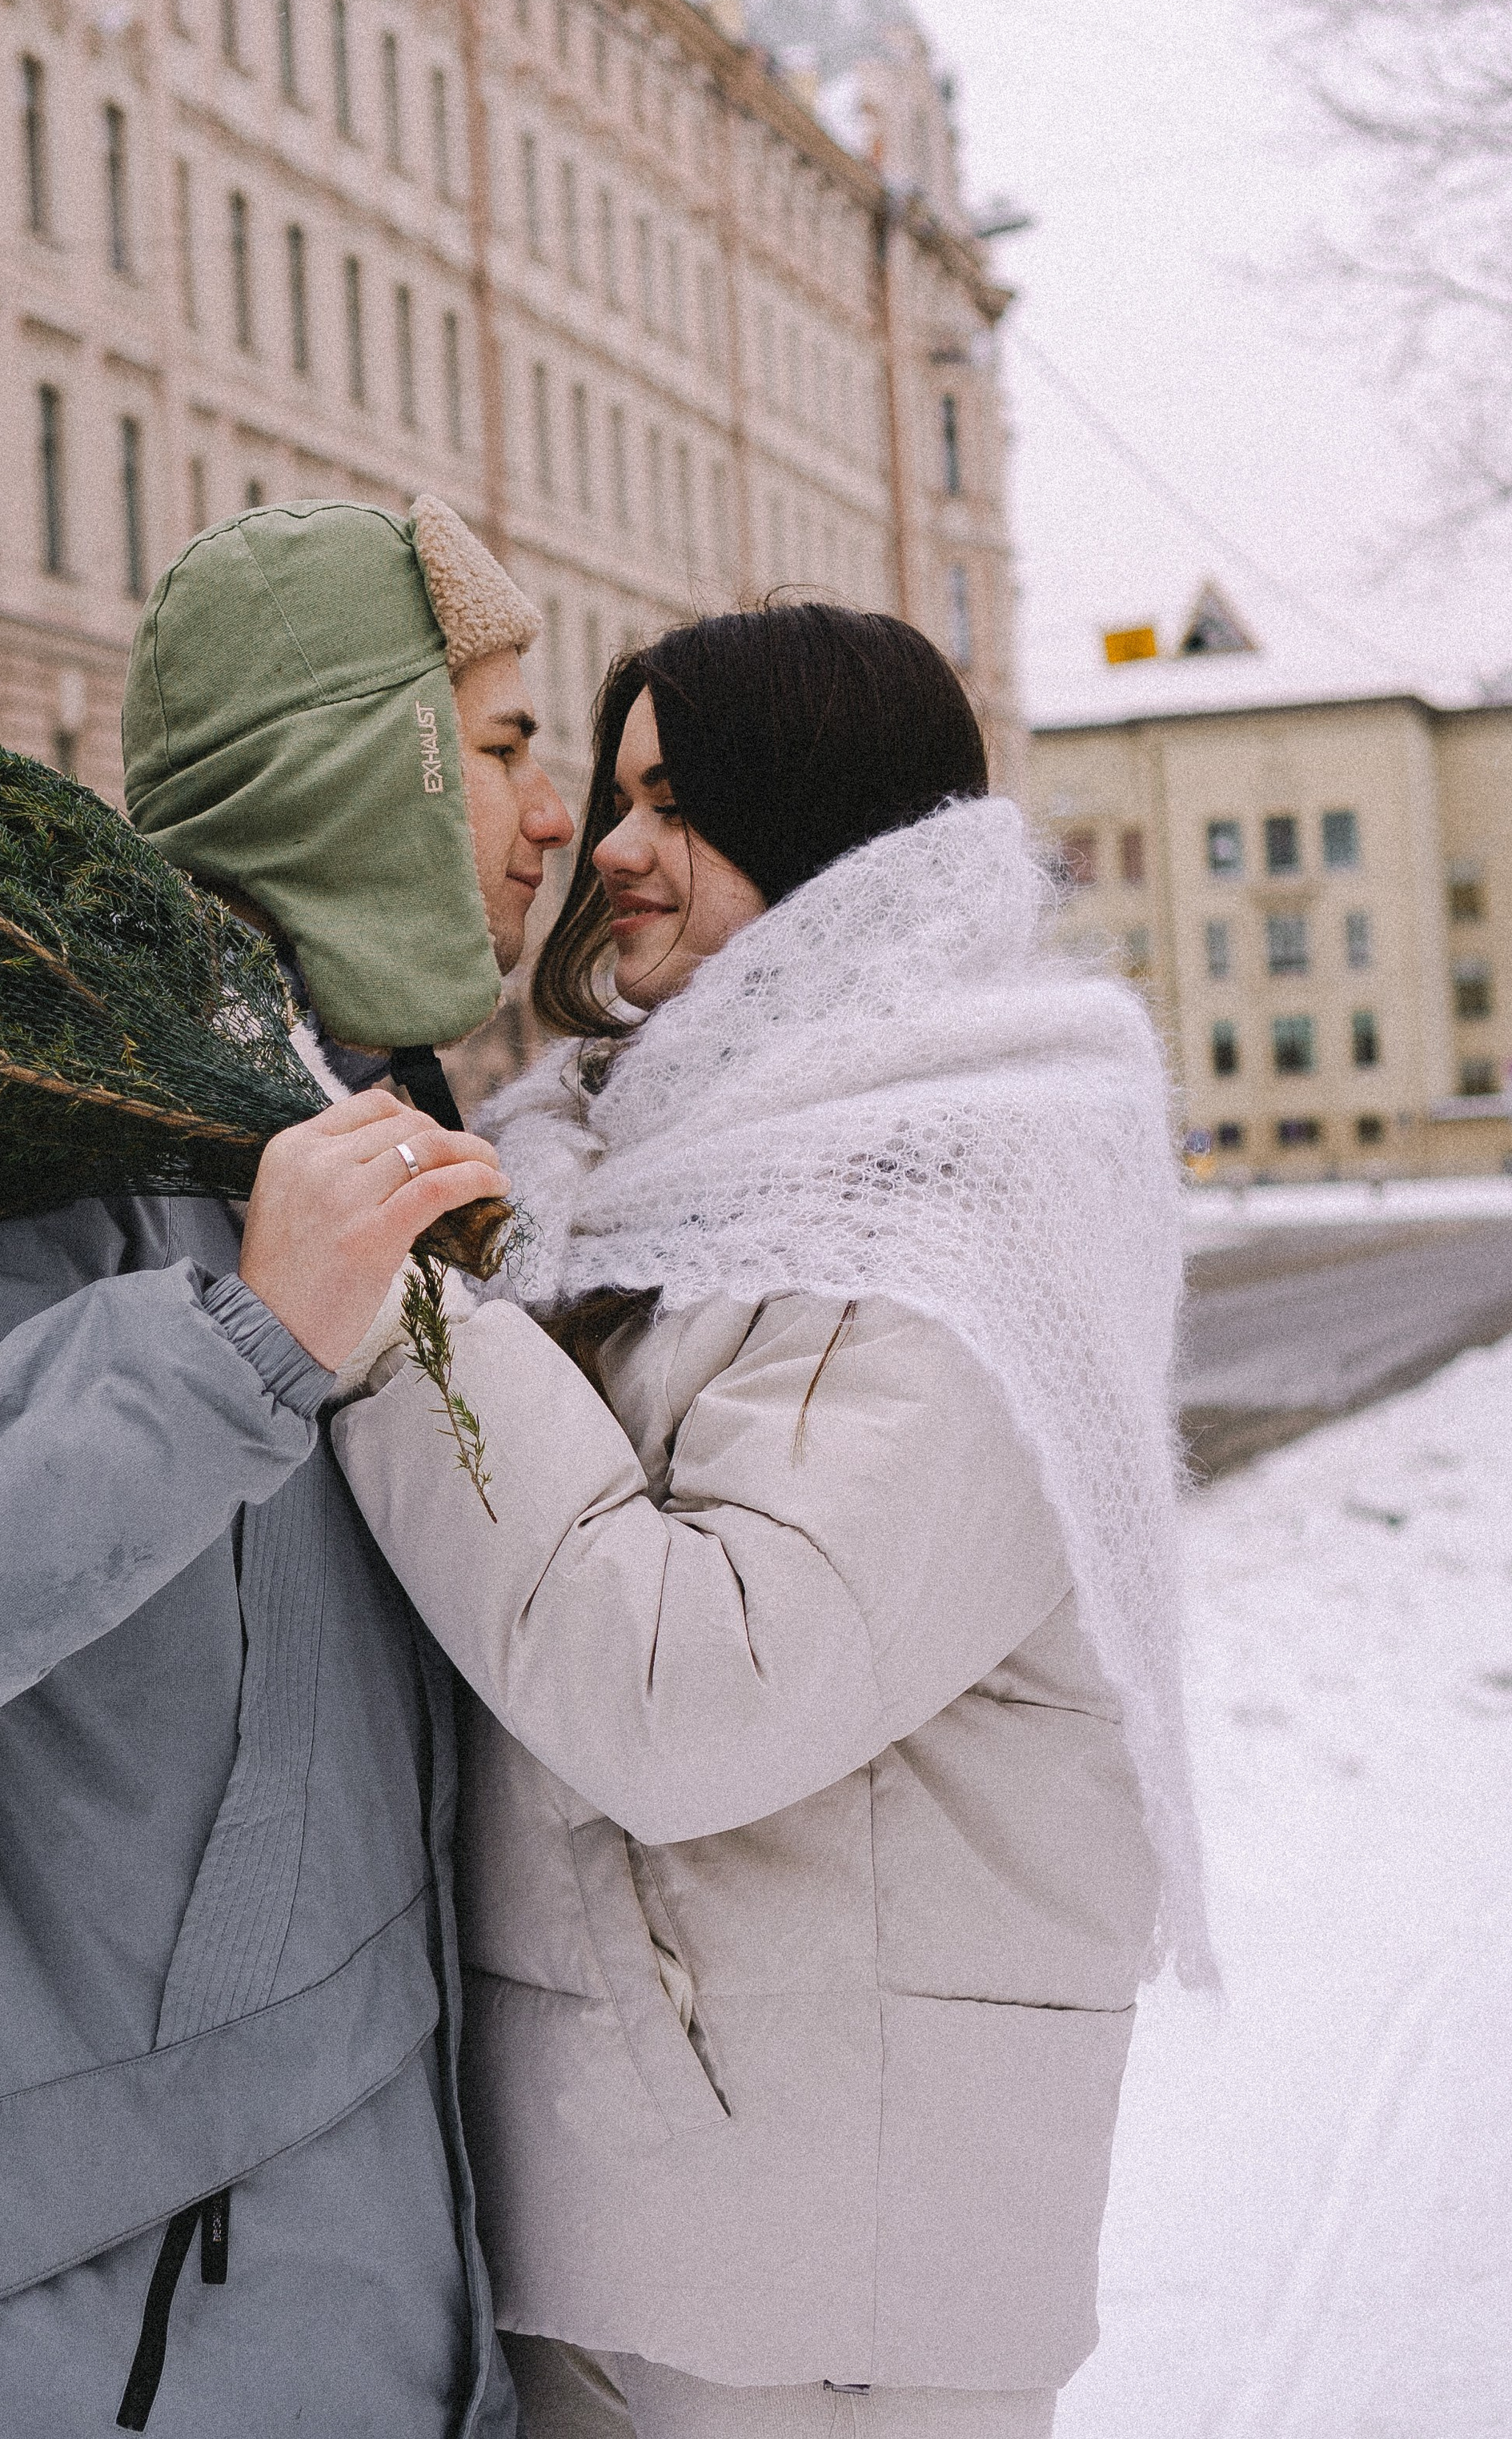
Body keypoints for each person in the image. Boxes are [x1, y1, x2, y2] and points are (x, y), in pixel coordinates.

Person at [0, 496, 569, 2439]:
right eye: (502, 747)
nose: (550, 819)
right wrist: (238, 1341)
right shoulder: (25, 1127)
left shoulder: (344, 1139)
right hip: (74, 2341)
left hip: (314, 2298)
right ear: (352, 770)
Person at [328, 601, 1212, 2439]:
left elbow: (697, 1692)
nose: (610, 843)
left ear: (827, 829)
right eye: (615, 784)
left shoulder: (952, 1198)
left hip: (818, 2273)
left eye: (682, 800)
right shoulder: (636, 1160)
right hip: (663, 2198)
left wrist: (392, 1319)